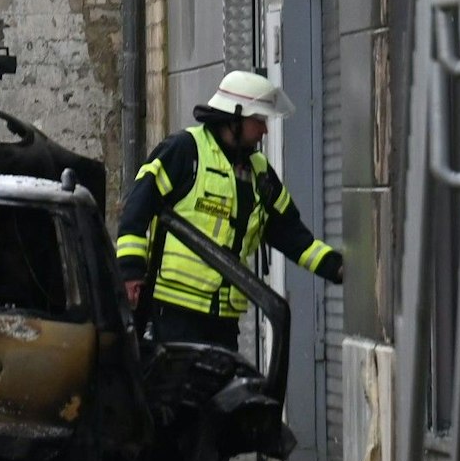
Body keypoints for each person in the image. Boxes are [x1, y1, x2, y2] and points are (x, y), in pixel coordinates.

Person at [114, 69, 344, 354]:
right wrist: (131, 272)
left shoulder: (259, 172)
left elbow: (290, 233)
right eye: (258, 120)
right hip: (173, 313)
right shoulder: (185, 151)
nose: (265, 130)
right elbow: (137, 208)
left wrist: (336, 266)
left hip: (223, 320)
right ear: (235, 117)